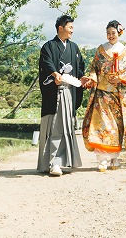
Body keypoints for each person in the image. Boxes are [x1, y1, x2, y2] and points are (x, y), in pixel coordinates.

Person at [37, 15, 91, 176]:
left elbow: (79, 67)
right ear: (60, 28)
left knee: (66, 126)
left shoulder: (74, 48)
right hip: (54, 93)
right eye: (70, 27)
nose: (72, 30)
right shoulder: (48, 46)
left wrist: (82, 77)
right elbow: (47, 63)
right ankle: (53, 162)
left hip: (69, 92)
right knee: (54, 126)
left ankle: (64, 161)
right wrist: (55, 74)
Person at [82, 19, 126, 171]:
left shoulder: (125, 51)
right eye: (108, 33)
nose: (110, 36)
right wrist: (93, 77)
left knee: (117, 127)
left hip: (118, 95)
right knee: (102, 126)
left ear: (119, 33)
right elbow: (93, 67)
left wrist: (120, 78)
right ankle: (102, 160)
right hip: (102, 93)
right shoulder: (101, 50)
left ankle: (114, 159)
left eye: (113, 33)